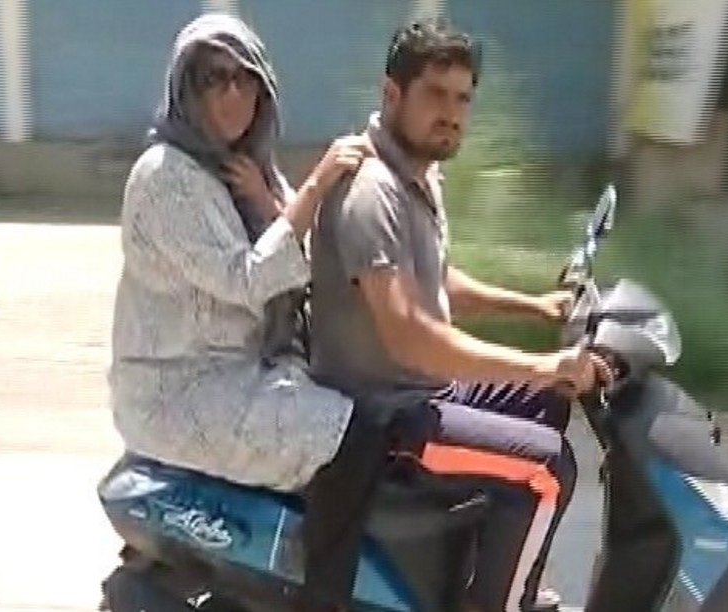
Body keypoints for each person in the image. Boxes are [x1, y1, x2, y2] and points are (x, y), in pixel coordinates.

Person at [309, 17, 611, 612]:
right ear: (392, 93)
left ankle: (491, 572)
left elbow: (434, 279)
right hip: (382, 422)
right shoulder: (373, 191)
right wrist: (543, 361)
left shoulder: (416, 174)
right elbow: (411, 336)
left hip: (422, 392)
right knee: (547, 468)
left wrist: (530, 306)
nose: (451, 113)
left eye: (463, 99)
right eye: (435, 95)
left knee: (547, 404)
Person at [107, 13, 390, 612]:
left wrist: (272, 196)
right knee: (354, 436)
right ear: (186, 88)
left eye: (246, 78)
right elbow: (247, 278)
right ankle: (325, 599)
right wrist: (315, 186)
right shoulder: (165, 177)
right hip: (184, 389)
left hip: (244, 369)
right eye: (215, 78)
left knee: (381, 410)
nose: (233, 92)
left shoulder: (240, 165)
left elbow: (304, 258)